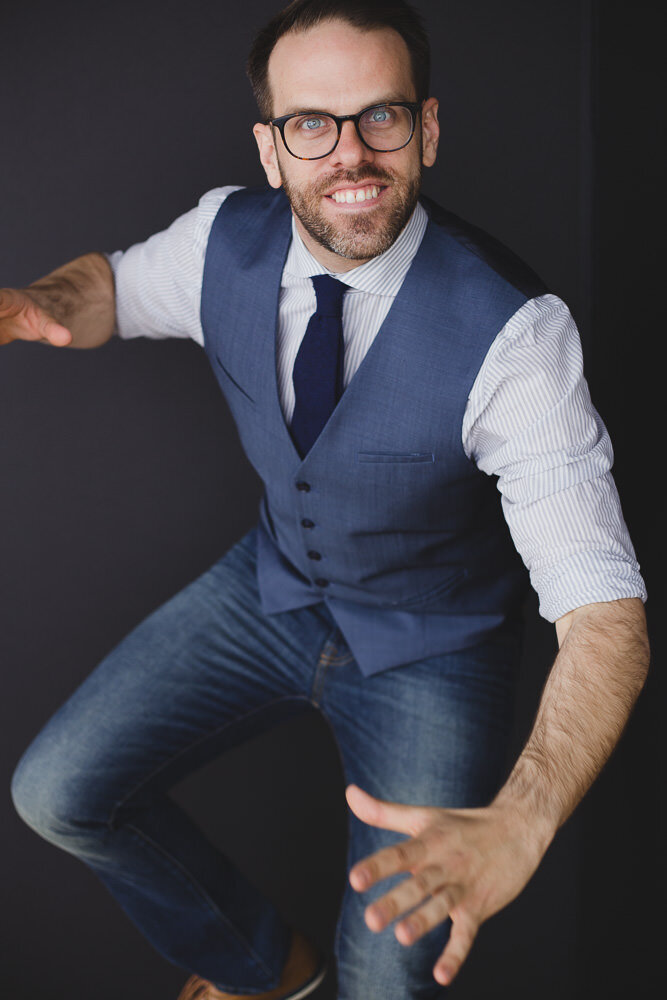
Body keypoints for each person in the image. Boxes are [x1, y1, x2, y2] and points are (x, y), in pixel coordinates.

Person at [1, 1, 650, 998]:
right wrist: (41, 301)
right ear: (271, 148)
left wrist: (524, 815)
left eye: (379, 118)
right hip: (271, 590)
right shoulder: (222, 237)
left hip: (433, 644)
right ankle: (271, 974)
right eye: (312, 124)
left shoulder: (516, 337)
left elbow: (605, 616)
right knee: (55, 793)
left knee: (389, 980)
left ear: (425, 129)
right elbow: (108, 288)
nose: (350, 154)